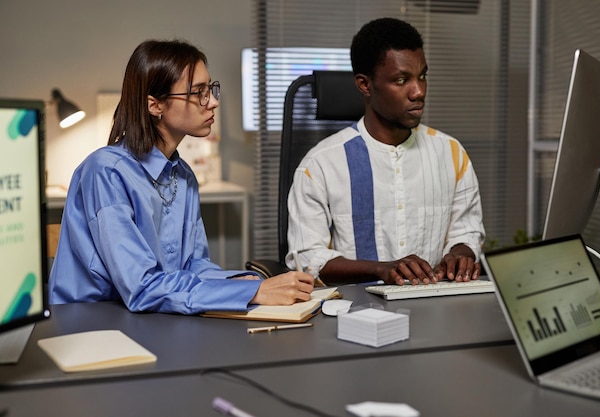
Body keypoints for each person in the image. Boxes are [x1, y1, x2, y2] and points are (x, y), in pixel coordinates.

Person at [49, 39, 314, 314]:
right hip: (91, 323)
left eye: (210, 89)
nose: (212, 102)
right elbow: (141, 288)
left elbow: (193, 267)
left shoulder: (183, 175)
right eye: (198, 92)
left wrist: (245, 283)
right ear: (155, 105)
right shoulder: (106, 172)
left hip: (149, 317)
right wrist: (252, 292)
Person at [286, 18, 485, 286]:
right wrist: (381, 270)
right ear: (364, 85)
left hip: (436, 309)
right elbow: (308, 257)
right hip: (353, 314)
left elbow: (468, 231)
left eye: (422, 76)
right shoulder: (320, 165)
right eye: (402, 80)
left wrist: (460, 253)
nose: (418, 91)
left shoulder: (451, 154)